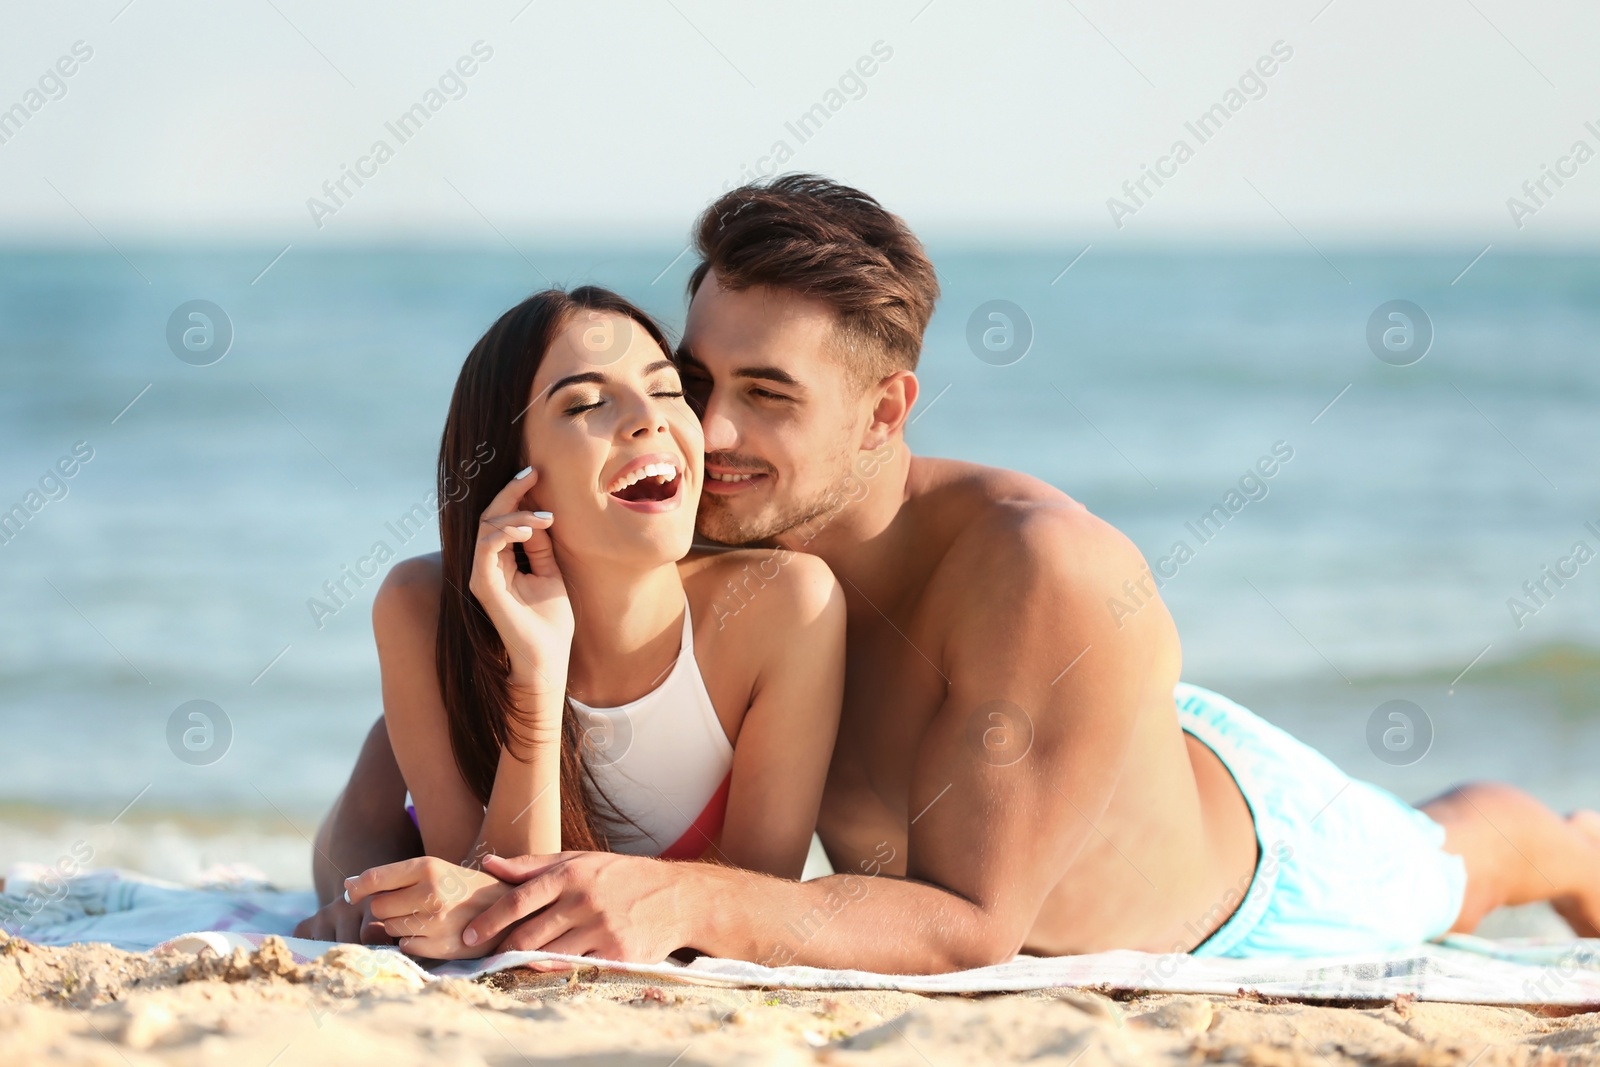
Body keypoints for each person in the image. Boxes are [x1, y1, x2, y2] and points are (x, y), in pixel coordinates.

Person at [322, 177, 1600, 971]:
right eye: (697, 381)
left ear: (888, 411)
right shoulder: (700, 523)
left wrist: (661, 896)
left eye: (767, 396)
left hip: (1244, 879)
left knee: (1458, 863)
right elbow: (411, 759)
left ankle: (1575, 845)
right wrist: (363, 891)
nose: (703, 433)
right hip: (1085, 741)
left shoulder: (1036, 570)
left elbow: (976, 925)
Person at [294, 286, 844, 958]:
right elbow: (495, 928)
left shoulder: (786, 605)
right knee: (358, 846)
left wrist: (494, 897)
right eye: (586, 403)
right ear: (518, 472)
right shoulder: (418, 604)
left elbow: (749, 907)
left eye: (670, 391)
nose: (649, 419)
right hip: (394, 818)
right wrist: (537, 668)